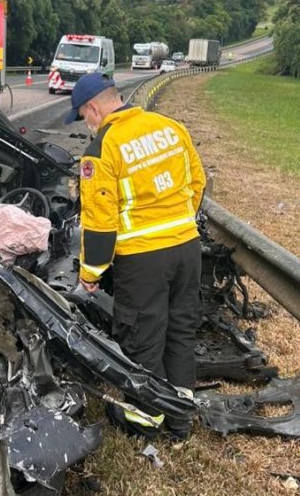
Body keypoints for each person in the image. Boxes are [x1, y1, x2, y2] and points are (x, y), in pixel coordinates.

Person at [66, 73, 205, 441]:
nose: (87, 123)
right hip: (187, 248)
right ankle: (180, 418)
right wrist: (176, 224)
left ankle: (145, 421)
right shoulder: (170, 127)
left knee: (143, 337)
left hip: (143, 260)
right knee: (180, 329)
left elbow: (99, 221)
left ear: (94, 108)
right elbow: (197, 183)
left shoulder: (102, 149)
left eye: (83, 115)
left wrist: (91, 273)